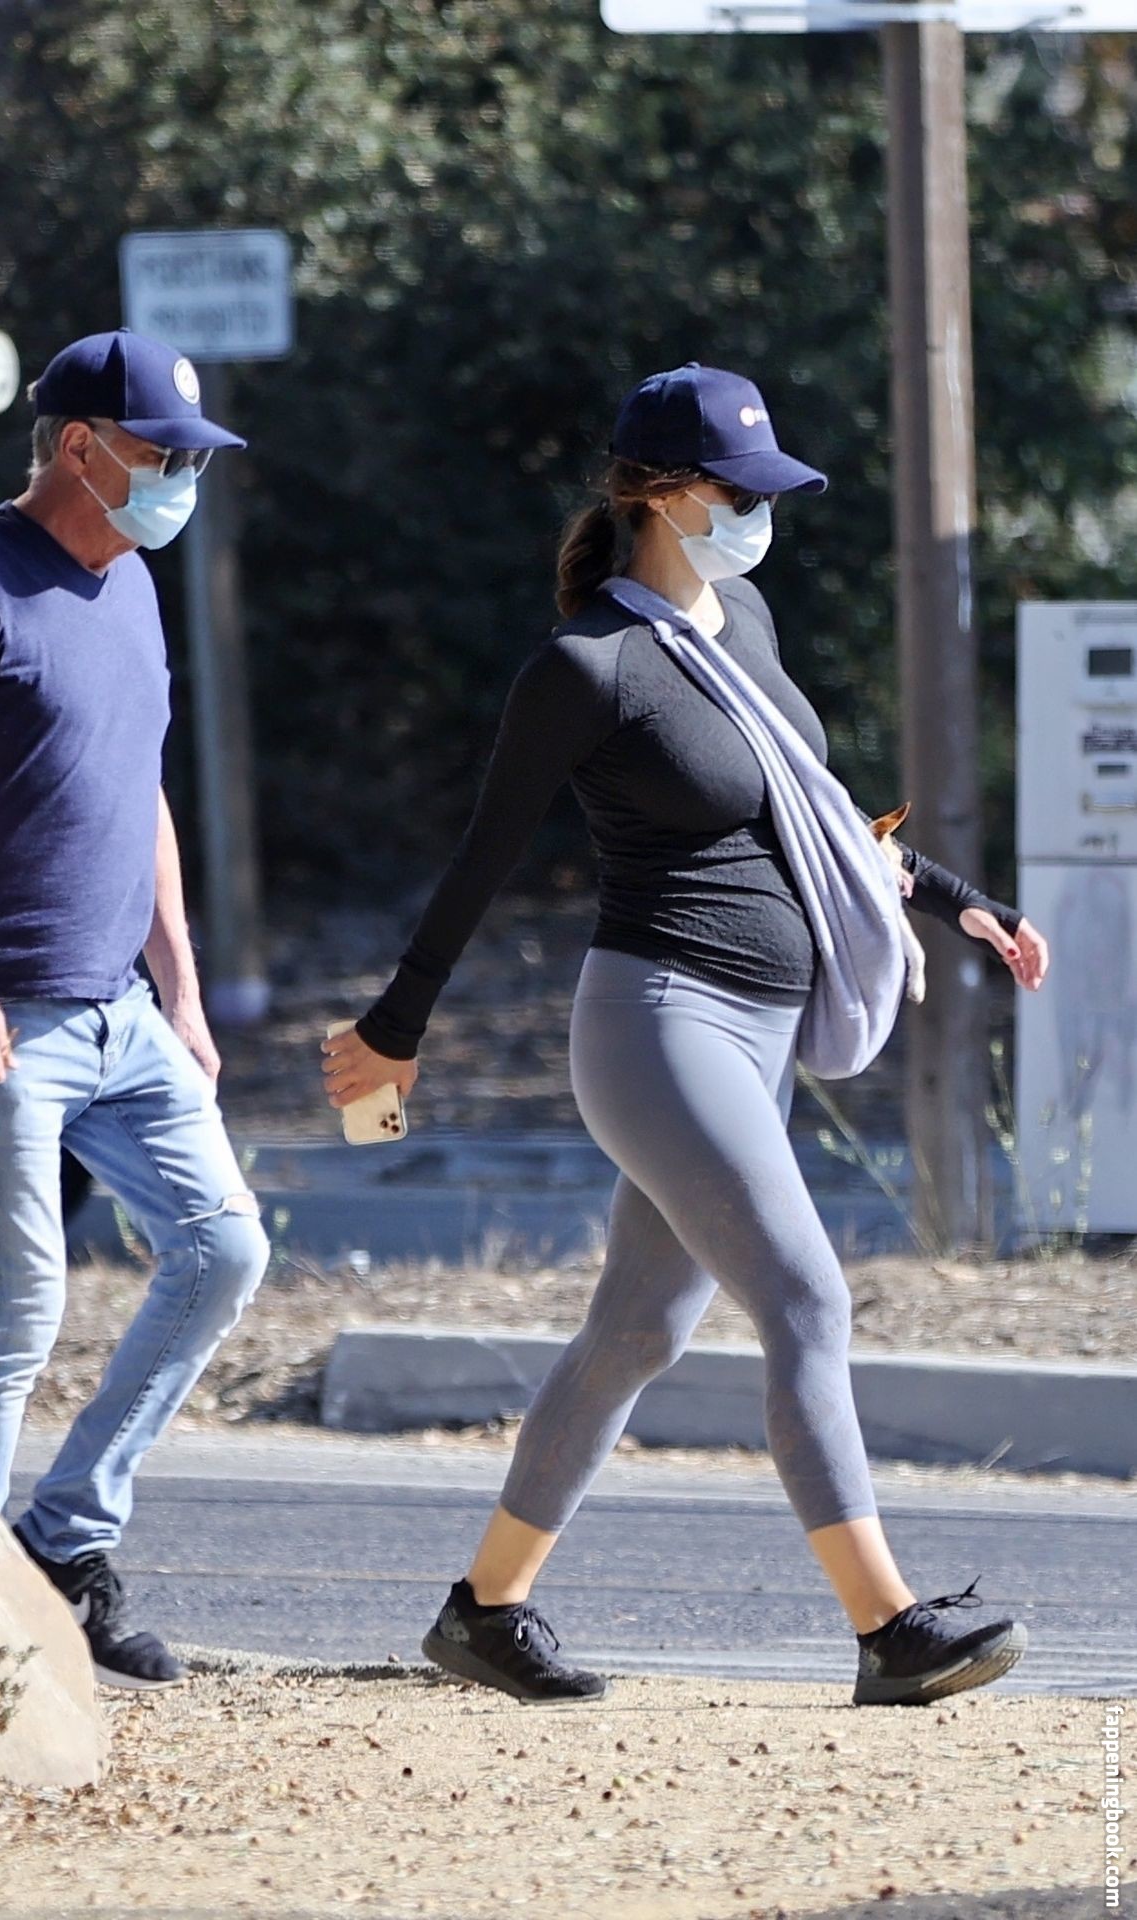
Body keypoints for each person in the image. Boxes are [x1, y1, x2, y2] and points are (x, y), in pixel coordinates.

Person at [321, 363, 1050, 1709]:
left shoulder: (742, 617)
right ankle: (890, 1631)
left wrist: (960, 902)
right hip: (659, 1028)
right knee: (807, 1300)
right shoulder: (587, 664)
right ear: (660, 493)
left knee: (635, 1334)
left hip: (759, 1036)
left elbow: (816, 808)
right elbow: (482, 859)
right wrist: (393, 1032)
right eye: (740, 488)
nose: (762, 512)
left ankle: (484, 1612)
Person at [0, 328, 271, 1689]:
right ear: (80, 446)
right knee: (16, 1303)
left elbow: (138, 793)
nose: (182, 481)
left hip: (122, 1013)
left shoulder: (131, 584)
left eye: (193, 459)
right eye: (164, 455)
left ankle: (63, 1543)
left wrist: (183, 989)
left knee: (222, 1251)